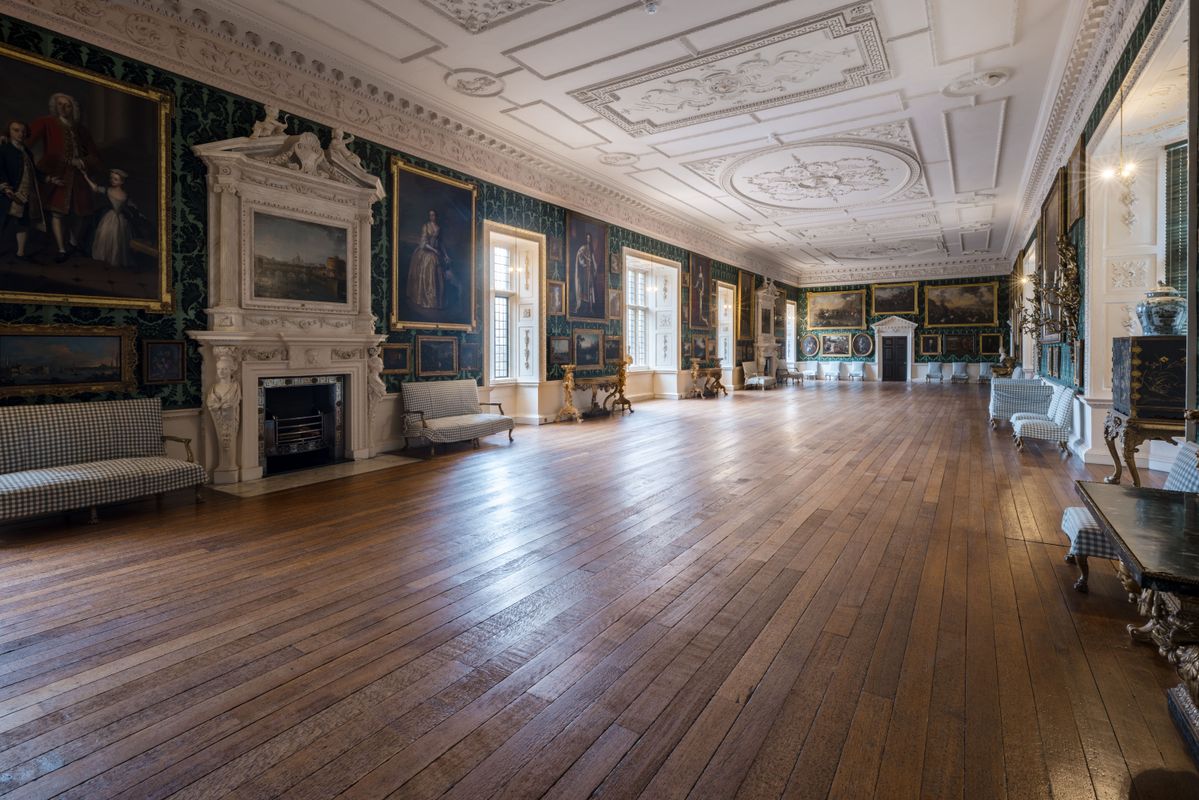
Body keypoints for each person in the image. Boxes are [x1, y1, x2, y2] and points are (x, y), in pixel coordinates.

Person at [28, 93, 102, 263]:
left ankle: (73, 243)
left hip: (78, 175)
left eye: (67, 105)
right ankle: (62, 249)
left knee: (81, 213)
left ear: (73, 108)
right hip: (57, 172)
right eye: (60, 104)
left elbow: (94, 154)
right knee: (57, 213)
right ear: (55, 106)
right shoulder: (47, 122)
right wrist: (4, 135)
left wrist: (83, 161)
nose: (63, 108)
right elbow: (25, 136)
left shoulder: (81, 129)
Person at [0, 121, 52, 259]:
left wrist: (48, 179)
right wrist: (5, 187)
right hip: (8, 193)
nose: (20, 134)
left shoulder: (27, 151)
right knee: (3, 222)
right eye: (16, 130)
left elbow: (33, 171)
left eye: (23, 131)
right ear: (9, 132)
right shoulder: (4, 149)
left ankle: (20, 252)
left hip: (25, 194)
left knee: (23, 222)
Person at [82, 168, 141, 267]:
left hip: (121, 219)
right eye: (112, 178)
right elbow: (95, 188)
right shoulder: (109, 190)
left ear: (122, 182)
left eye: (116, 179)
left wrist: (136, 211)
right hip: (110, 217)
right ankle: (105, 257)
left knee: (118, 240)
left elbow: (132, 205)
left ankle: (114, 259)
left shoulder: (125, 195)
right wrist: (85, 177)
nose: (112, 181)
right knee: (105, 236)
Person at [407, 209, 449, 310]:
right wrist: (434, 250)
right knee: (431, 261)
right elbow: (423, 243)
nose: (432, 217)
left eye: (433, 215)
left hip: (436, 251)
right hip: (426, 251)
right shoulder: (426, 226)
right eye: (430, 215)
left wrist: (446, 255)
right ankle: (428, 300)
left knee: (439, 269)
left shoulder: (438, 228)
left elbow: (441, 243)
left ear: (436, 216)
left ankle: (439, 300)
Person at [573, 232, 597, 313]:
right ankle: (582, 306)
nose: (588, 239)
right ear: (585, 239)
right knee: (584, 288)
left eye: (589, 238)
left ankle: (590, 307)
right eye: (587, 238)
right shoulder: (583, 248)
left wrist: (595, 267)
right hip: (584, 271)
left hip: (589, 271)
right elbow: (579, 256)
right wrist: (583, 263)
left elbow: (593, 260)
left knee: (590, 288)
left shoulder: (591, 249)